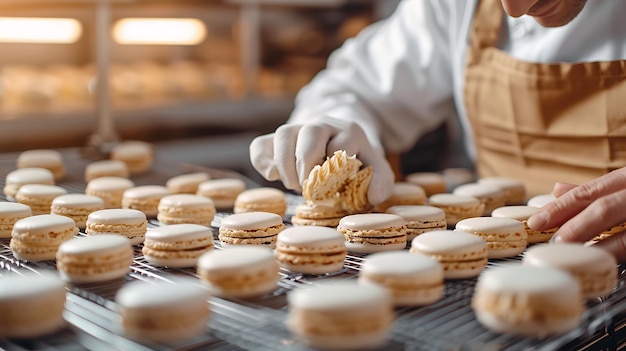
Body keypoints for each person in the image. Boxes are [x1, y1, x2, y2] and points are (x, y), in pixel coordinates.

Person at [249, 1, 626, 261]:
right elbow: (352, 86)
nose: (514, 9)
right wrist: (335, 128)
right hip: (500, 275)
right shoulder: (452, 7)